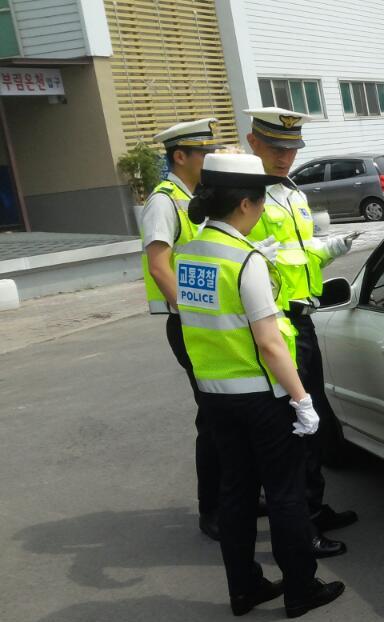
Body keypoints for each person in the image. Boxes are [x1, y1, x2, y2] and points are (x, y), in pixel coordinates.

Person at [175, 153, 345, 618]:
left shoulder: (187, 253)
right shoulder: (245, 260)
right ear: (247, 205)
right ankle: (301, 588)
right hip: (261, 399)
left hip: (214, 395)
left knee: (237, 493)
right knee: (286, 492)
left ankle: (245, 587)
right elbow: (271, 344)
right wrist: (302, 399)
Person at [243, 107, 358, 558]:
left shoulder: (289, 191)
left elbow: (298, 252)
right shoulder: (245, 194)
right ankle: (299, 530)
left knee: (313, 423)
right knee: (291, 429)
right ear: (253, 143)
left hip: (302, 316)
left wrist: (329, 249)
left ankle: (314, 507)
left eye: (291, 149)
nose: (285, 157)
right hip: (273, 321)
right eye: (275, 148)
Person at [141, 118, 221, 540]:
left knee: (225, 413)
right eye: (204, 152)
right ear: (180, 156)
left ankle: (236, 493)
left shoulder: (198, 197)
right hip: (191, 324)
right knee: (212, 417)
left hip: (213, 322)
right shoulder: (164, 202)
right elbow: (159, 266)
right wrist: (194, 315)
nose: (210, 158)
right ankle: (212, 509)